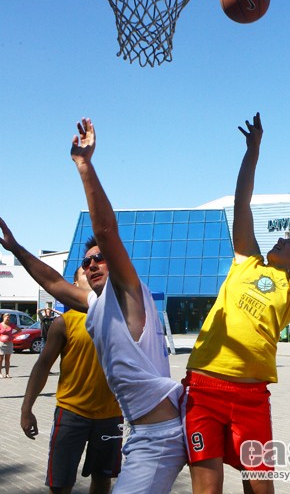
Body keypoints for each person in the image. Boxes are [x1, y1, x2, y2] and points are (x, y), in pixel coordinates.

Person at [0, 117, 186, 494]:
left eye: (100, 258)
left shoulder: (131, 292)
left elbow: (106, 230)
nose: (92, 264)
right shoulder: (95, 305)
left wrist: (84, 165)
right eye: (86, 262)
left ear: (115, 263)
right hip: (140, 432)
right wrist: (16, 248)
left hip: (160, 437)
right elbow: (53, 282)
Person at [180, 112, 290, 494]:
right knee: (207, 489)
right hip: (204, 389)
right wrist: (253, 151)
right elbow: (242, 202)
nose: (282, 238)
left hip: (251, 399)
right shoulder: (247, 260)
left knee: (261, 489)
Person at [21, 266, 123, 494]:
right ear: (74, 286)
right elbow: (42, 366)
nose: (92, 271)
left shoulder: (121, 318)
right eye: (85, 273)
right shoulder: (64, 323)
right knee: (60, 484)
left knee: (102, 480)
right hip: (71, 414)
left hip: (111, 415)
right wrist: (26, 409)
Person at [0, 311, 21, 378]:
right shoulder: (0, 325)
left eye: (9, 317)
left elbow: (19, 330)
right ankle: (0, 373)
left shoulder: (11, 325)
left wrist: (13, 335)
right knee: (0, 359)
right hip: (1, 343)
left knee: (7, 359)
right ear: (3, 317)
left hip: (9, 343)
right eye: (6, 317)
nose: (8, 318)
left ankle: (7, 373)